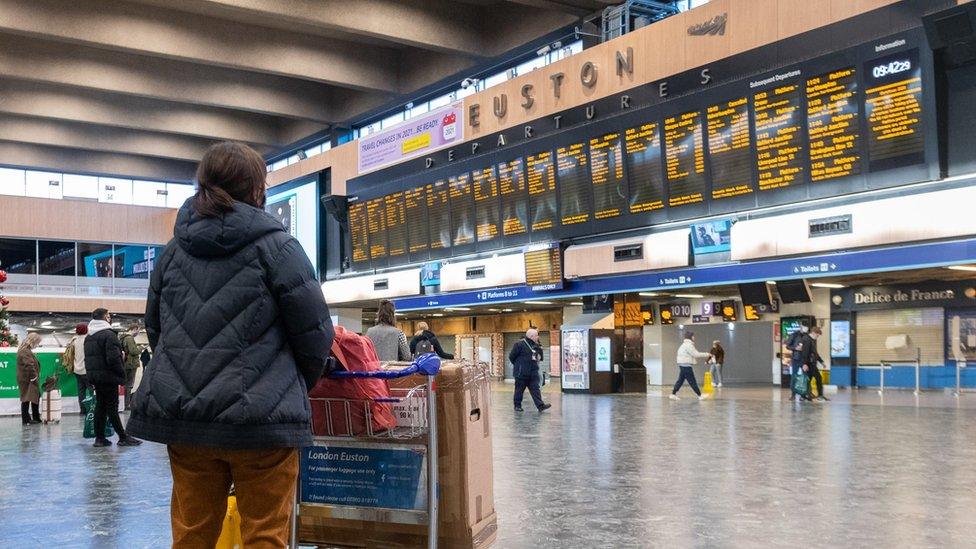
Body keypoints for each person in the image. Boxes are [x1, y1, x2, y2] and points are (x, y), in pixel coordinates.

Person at [126, 141, 335, 548]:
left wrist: (188, 379)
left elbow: (157, 329)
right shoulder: (280, 249)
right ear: (257, 190)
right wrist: (284, 387)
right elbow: (315, 335)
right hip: (263, 428)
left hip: (188, 425)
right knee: (265, 537)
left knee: (191, 536)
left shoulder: (171, 255)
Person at [85, 308, 140, 447]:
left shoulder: (89, 336)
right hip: (109, 377)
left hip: (96, 377)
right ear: (105, 318)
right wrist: (121, 374)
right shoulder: (109, 335)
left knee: (101, 406)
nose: (110, 317)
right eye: (108, 315)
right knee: (112, 407)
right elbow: (114, 359)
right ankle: (123, 437)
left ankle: (99, 438)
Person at [509, 328, 551, 412]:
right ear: (531, 336)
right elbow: (511, 357)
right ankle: (517, 406)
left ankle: (540, 406)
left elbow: (540, 358)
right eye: (536, 335)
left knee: (535, 390)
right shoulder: (519, 345)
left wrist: (540, 352)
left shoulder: (536, 345)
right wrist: (519, 366)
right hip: (521, 373)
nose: (538, 337)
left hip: (533, 373)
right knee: (519, 390)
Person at [670, 331, 712, 401]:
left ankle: (673, 394)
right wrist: (707, 354)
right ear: (690, 337)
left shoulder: (684, 344)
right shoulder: (688, 345)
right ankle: (700, 395)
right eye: (693, 336)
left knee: (680, 380)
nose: (694, 337)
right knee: (692, 381)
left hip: (682, 364)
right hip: (686, 365)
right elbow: (696, 354)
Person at [16, 332, 42, 425]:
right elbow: (29, 365)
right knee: (26, 399)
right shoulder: (25, 351)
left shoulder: (25, 350)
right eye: (37, 342)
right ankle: (27, 419)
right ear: (33, 341)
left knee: (34, 396)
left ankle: (34, 418)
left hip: (27, 378)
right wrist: (34, 377)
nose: (37, 345)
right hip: (27, 379)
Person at [800, 326, 829, 402]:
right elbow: (804, 353)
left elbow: (815, 353)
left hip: (812, 364)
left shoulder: (811, 340)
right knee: (809, 380)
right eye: (817, 335)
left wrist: (821, 361)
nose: (817, 337)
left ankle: (817, 395)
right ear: (813, 333)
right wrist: (804, 364)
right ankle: (804, 396)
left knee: (816, 379)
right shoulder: (806, 340)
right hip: (808, 364)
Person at [120, 325, 142, 411]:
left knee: (124, 385)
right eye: (138, 331)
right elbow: (133, 351)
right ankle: (126, 404)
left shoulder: (123, 338)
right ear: (134, 329)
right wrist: (140, 348)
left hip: (125, 364)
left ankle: (123, 403)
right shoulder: (129, 338)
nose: (138, 333)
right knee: (129, 385)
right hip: (131, 364)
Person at [786, 323, 809, 401]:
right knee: (794, 376)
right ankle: (793, 394)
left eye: (807, 327)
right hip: (796, 358)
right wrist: (795, 348)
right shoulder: (794, 335)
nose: (806, 329)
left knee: (804, 377)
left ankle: (803, 395)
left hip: (804, 359)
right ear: (801, 327)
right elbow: (787, 346)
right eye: (804, 327)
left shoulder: (807, 336)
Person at [71, 323, 90, 412]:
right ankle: (90, 408)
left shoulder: (74, 340)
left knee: (81, 391)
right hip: (86, 370)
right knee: (91, 390)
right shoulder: (88, 340)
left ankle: (82, 409)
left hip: (76, 369)